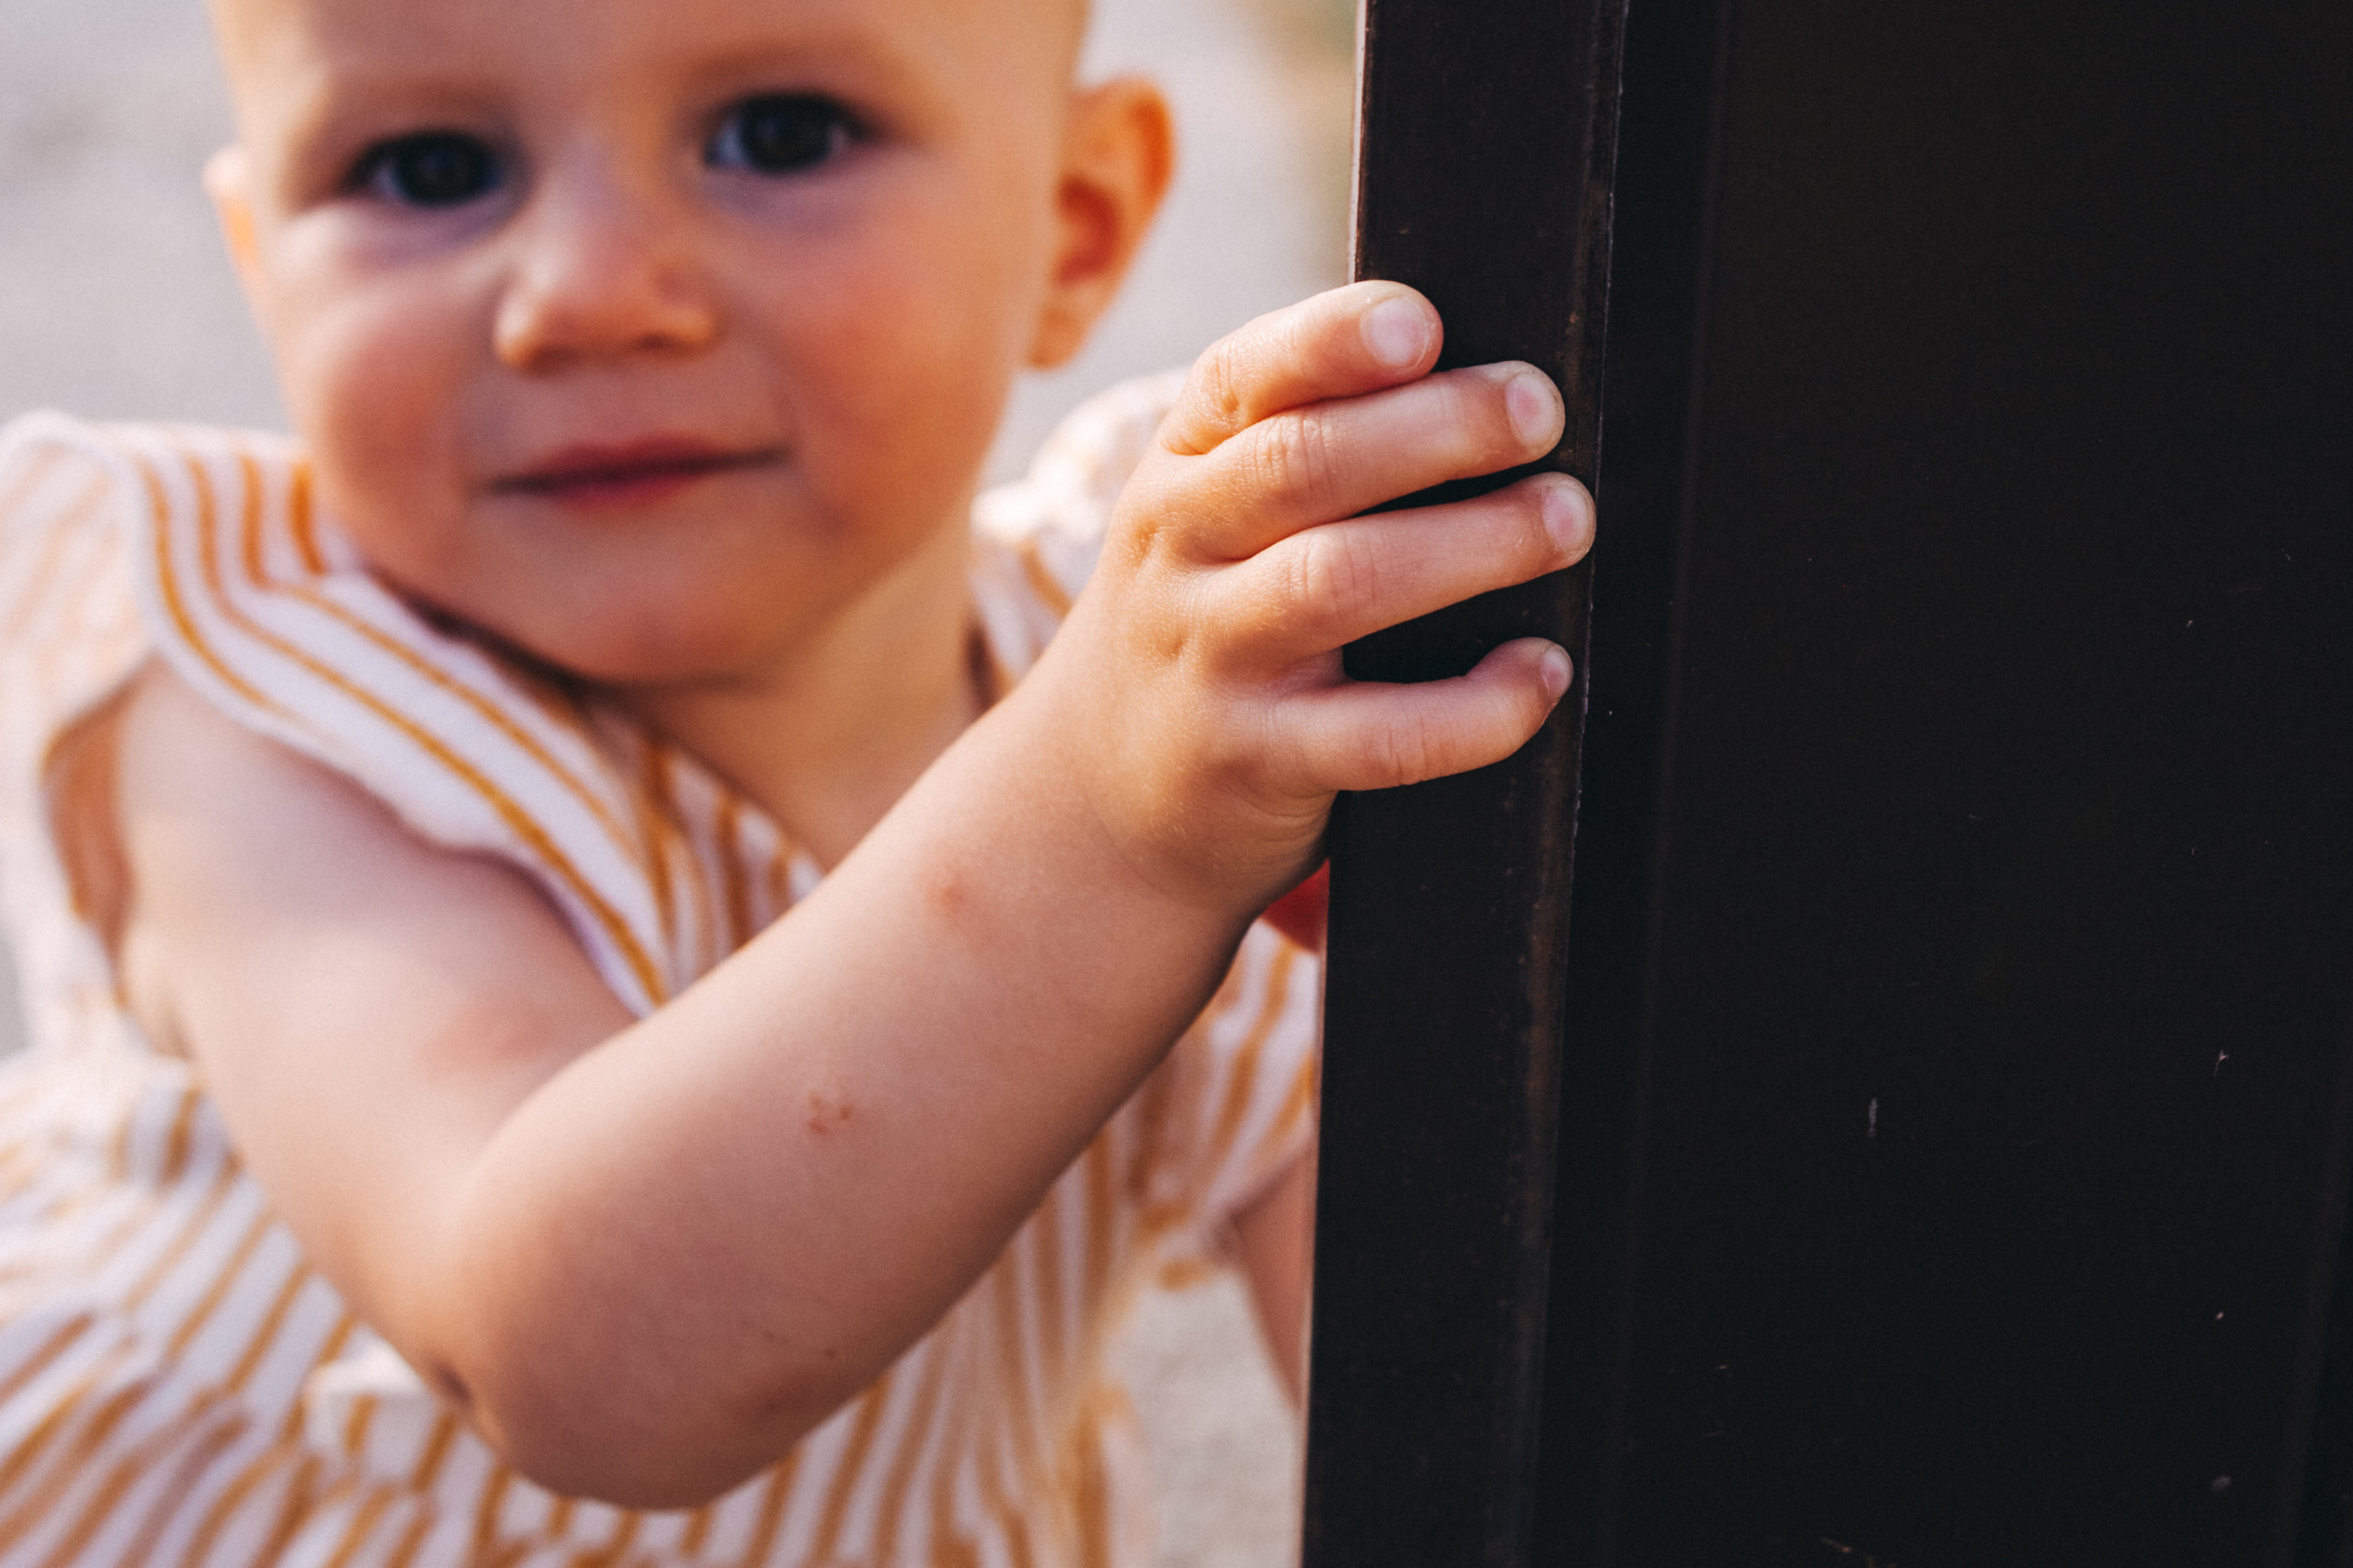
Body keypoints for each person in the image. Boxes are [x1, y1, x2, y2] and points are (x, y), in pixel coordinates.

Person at [0, 0, 1596, 1559]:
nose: (587, 295)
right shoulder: (258, 710)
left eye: (778, 134)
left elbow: (1474, 1387)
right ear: (265, 267)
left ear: (1078, 225)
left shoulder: (1157, 686)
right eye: (429, 168)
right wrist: (1111, 829)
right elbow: (568, 1357)